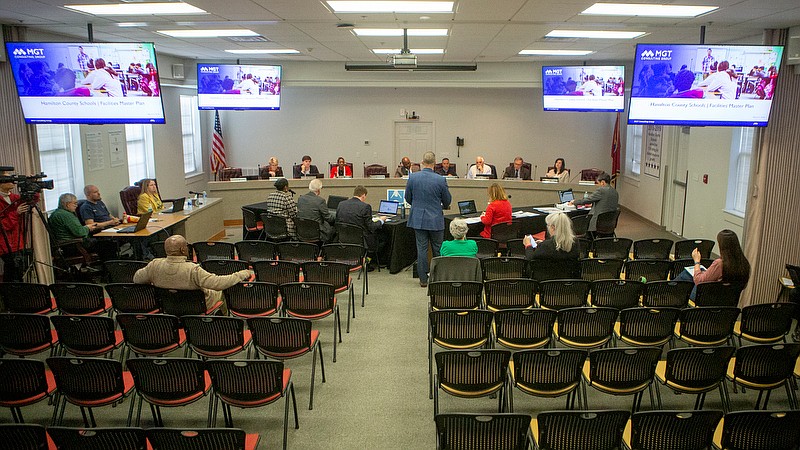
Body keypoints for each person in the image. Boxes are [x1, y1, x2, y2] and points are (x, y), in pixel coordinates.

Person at [133, 235, 252, 313]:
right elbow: (218, 283)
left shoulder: (154, 265)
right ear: (183, 250)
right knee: (220, 291)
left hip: (168, 306)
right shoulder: (193, 270)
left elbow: (137, 279)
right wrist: (241, 274)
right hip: (196, 307)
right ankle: (223, 323)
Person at [405, 151, 452, 287]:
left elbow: (408, 198)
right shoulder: (440, 179)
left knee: (421, 249)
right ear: (434, 163)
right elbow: (447, 200)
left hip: (418, 218)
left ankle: (423, 280)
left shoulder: (413, 178)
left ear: (423, 162)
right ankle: (437, 278)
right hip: (435, 219)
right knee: (438, 249)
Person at [675, 229, 751, 300]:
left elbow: (699, 281)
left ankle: (668, 290)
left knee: (685, 275)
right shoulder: (744, 263)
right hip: (728, 300)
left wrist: (697, 261)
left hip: (708, 298)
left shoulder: (720, 264)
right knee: (695, 273)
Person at [49, 193, 116, 261]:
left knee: (105, 243)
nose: (76, 205)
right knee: (108, 245)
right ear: (67, 204)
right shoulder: (65, 215)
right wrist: (88, 227)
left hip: (68, 245)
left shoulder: (58, 213)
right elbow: (79, 232)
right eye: (74, 203)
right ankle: (111, 269)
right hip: (73, 246)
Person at [336, 185, 386, 264]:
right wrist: (381, 221)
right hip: (361, 240)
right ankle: (368, 260)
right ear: (363, 195)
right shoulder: (365, 207)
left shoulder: (341, 204)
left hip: (344, 238)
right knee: (382, 237)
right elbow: (371, 227)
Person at [523, 212, 581, 278]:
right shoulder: (575, 242)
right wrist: (544, 243)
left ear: (553, 227)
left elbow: (530, 259)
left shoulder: (545, 246)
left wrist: (528, 245)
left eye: (548, 225)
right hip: (569, 282)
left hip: (547, 284)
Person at [0, 173, 34, 281]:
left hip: (18, 240)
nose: (12, 180)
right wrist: (16, 213)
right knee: (12, 269)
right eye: (8, 178)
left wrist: (32, 184)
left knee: (19, 269)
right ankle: (10, 295)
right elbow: (3, 225)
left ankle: (18, 294)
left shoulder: (14, 197)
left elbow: (32, 200)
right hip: (5, 243)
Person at [569, 171, 619, 236]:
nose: (598, 186)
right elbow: (606, 204)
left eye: (598, 183)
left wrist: (574, 202)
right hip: (609, 224)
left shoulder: (601, 190)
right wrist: (593, 204)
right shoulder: (615, 192)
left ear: (603, 182)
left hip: (597, 223)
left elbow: (587, 200)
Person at [297, 178, 336, 243]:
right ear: (318, 190)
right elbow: (328, 218)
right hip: (317, 232)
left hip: (302, 231)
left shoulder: (301, 199)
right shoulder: (320, 201)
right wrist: (336, 216)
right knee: (334, 230)